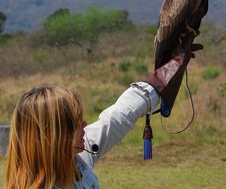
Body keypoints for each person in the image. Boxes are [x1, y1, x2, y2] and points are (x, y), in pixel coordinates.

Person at [5, 37, 202, 189]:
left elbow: (120, 114)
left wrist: (173, 65)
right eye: (74, 123)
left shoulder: (76, 160)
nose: (85, 126)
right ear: (52, 136)